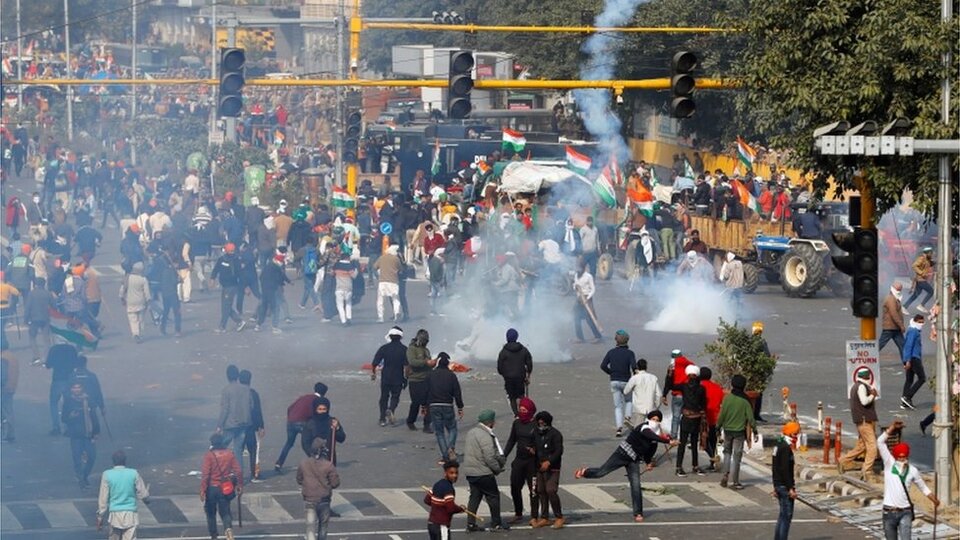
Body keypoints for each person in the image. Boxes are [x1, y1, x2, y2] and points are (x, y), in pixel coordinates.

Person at [574, 410, 675, 523]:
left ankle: (638, 513)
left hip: (634, 460)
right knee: (601, 472)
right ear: (648, 419)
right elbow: (649, 435)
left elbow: (650, 452)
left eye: (657, 420)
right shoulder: (644, 427)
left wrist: (648, 463)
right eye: (653, 419)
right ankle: (585, 472)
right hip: (622, 453)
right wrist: (667, 441)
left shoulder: (655, 438)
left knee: (636, 485)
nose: (654, 422)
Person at [877, 421, 940, 540]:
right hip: (888, 512)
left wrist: (933, 499)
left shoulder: (913, 470)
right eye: (900, 457)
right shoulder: (889, 464)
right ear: (896, 457)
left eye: (904, 457)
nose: (902, 459)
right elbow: (880, 442)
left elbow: (923, 488)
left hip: (905, 512)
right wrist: (891, 428)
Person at [462, 410, 509, 532]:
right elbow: (489, 457)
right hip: (483, 472)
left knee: (475, 497)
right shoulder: (486, 436)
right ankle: (496, 523)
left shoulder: (471, 432)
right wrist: (497, 469)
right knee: (493, 496)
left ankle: (471, 523)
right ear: (491, 422)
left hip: (470, 472)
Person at [97, 450, 150, 540]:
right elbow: (143, 494)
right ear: (125, 461)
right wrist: (146, 498)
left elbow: (103, 499)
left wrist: (100, 517)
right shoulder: (133, 473)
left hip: (114, 515)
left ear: (113, 461)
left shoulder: (107, 475)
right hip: (130, 514)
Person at [275, 382, 328, 473]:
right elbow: (314, 415)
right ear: (324, 393)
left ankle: (279, 463)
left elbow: (289, 408)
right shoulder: (317, 400)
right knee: (309, 442)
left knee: (289, 443)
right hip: (302, 423)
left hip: (291, 422)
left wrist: (290, 420)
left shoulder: (304, 397)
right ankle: (315, 462)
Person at [838, 367, 879, 481]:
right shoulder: (861, 387)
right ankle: (867, 470)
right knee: (872, 446)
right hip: (865, 420)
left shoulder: (855, 386)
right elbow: (864, 401)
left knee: (861, 446)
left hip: (861, 420)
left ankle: (843, 460)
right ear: (867, 377)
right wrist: (872, 395)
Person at [503, 397, 538, 525]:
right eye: (520, 410)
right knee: (514, 487)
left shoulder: (536, 425)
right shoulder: (516, 423)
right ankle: (518, 513)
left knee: (533, 490)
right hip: (519, 460)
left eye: (524, 410)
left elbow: (541, 442)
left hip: (532, 462)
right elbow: (512, 440)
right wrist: (504, 455)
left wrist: (535, 450)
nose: (522, 412)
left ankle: (534, 516)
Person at [717, 374, 756, 489]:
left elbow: (722, 415)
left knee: (727, 453)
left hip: (727, 430)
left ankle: (725, 475)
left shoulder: (727, 398)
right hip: (739, 432)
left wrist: (718, 426)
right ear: (743, 386)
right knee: (737, 456)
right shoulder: (745, 401)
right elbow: (750, 418)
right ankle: (735, 481)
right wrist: (755, 430)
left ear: (732, 384)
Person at [297, 438, 341, 540]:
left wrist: (306, 484)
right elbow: (335, 483)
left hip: (309, 499)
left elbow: (299, 479)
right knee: (323, 527)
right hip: (324, 499)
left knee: (310, 527)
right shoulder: (328, 465)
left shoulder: (304, 463)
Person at [201, 433, 241, 540]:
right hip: (224, 487)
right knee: (225, 511)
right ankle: (228, 529)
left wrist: (202, 490)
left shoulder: (209, 456)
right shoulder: (229, 454)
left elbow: (205, 475)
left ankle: (214, 535)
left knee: (210, 512)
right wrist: (239, 485)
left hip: (212, 488)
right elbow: (238, 471)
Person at [426, 352, 465, 464]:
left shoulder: (431, 374)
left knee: (439, 432)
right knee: (452, 428)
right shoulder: (451, 375)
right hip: (447, 405)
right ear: (447, 364)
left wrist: (424, 405)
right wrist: (460, 407)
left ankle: (445, 456)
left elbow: (426, 391)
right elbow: (457, 392)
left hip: (434, 405)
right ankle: (450, 447)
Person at [216, 365, 252, 479]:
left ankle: (219, 473)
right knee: (238, 451)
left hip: (230, 424)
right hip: (244, 424)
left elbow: (225, 409)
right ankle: (239, 477)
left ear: (227, 376)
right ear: (237, 375)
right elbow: (251, 406)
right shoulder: (246, 389)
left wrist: (219, 425)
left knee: (220, 447)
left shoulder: (226, 390)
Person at [63, 381, 100, 488]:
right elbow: (64, 418)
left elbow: (94, 416)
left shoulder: (88, 400)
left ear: (82, 389)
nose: (76, 390)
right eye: (74, 388)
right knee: (77, 458)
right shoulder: (68, 401)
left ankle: (84, 475)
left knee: (92, 456)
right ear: (71, 390)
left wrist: (96, 431)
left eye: (78, 387)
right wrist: (71, 416)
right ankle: (80, 478)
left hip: (88, 433)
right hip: (75, 434)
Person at [532, 411, 564, 529]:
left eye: (543, 423)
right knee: (541, 490)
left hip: (553, 468)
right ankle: (544, 517)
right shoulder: (536, 433)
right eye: (539, 423)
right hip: (539, 467)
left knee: (550, 490)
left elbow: (559, 451)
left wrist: (549, 462)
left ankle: (559, 517)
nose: (541, 426)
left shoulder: (556, 434)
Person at [601, 330, 637, 437]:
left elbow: (603, 366)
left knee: (617, 406)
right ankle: (628, 417)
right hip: (626, 380)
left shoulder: (611, 352)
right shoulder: (630, 353)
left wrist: (611, 373)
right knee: (629, 400)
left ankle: (619, 429)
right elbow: (634, 367)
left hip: (614, 381)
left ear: (616, 340)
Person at [371, 326, 408, 426]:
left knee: (384, 397)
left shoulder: (384, 348)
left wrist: (373, 373)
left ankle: (382, 419)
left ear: (390, 336)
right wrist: (406, 378)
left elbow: (375, 363)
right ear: (401, 337)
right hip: (398, 377)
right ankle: (391, 409)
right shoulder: (404, 349)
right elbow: (407, 366)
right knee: (395, 397)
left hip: (386, 377)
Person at [675, 364, 706, 477]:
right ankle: (695, 466)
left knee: (682, 443)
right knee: (694, 443)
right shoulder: (702, 389)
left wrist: (670, 375)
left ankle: (679, 467)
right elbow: (703, 404)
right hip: (696, 419)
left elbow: (672, 386)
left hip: (686, 418)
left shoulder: (684, 387)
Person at [209, 243, 246, 333]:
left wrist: (212, 279)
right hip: (227, 286)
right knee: (226, 306)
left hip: (231, 287)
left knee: (226, 307)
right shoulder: (228, 259)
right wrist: (212, 278)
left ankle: (224, 326)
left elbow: (240, 274)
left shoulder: (233, 260)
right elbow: (216, 269)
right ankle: (238, 321)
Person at [425, 460, 465, 540]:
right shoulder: (449, 489)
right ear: (446, 473)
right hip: (441, 525)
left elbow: (427, 500)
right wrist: (461, 509)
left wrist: (439, 505)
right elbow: (450, 508)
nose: (454, 476)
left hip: (431, 524)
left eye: (456, 473)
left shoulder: (437, 484)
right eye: (451, 473)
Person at [497, 328, 532, 417]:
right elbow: (529, 363)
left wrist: (504, 374)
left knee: (512, 396)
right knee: (521, 395)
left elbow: (499, 367)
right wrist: (528, 375)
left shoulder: (503, 352)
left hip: (508, 378)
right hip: (520, 376)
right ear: (517, 337)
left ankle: (516, 414)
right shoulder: (523, 350)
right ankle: (524, 411)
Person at [772, 422, 799, 540]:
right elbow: (784, 469)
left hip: (779, 484)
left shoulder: (778, 444)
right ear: (792, 433)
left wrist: (775, 485)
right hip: (784, 486)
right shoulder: (785, 448)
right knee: (786, 517)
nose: (797, 436)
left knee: (782, 516)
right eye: (796, 433)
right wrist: (790, 488)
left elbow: (774, 467)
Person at [301, 397, 346, 465]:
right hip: (314, 460)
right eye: (320, 409)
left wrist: (337, 428)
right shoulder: (310, 423)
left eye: (324, 409)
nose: (322, 411)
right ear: (315, 409)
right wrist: (313, 455)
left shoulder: (332, 421)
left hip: (330, 459)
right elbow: (305, 443)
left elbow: (341, 438)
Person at [406, 329, 435, 432]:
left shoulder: (426, 350)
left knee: (428, 403)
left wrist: (433, 364)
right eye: (424, 340)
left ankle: (427, 425)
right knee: (416, 402)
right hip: (415, 380)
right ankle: (410, 421)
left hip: (427, 379)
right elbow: (412, 362)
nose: (425, 342)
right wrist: (426, 362)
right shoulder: (412, 349)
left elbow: (428, 363)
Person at [661, 349, 693, 439]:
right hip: (687, 395)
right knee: (688, 416)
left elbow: (668, 382)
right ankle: (688, 437)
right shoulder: (688, 364)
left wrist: (664, 395)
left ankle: (674, 435)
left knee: (676, 417)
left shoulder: (671, 367)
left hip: (677, 395)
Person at [239, 370, 264, 482]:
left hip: (237, 426)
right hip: (250, 426)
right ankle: (254, 473)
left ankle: (237, 474)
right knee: (252, 449)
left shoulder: (236, 393)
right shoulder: (253, 393)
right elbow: (257, 411)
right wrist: (261, 426)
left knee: (237, 450)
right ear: (250, 379)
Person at [699, 367, 724, 471]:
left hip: (704, 418)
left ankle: (713, 458)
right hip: (716, 417)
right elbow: (722, 402)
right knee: (713, 440)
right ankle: (712, 463)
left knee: (704, 442)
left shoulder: (699, 387)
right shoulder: (717, 387)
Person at [24, 277, 54, 361]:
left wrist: (25, 319)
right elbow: (54, 306)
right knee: (46, 339)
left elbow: (28, 307)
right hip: (45, 318)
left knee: (32, 337)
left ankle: (36, 357)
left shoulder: (31, 293)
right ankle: (47, 357)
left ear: (36, 284)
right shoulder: (48, 293)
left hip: (34, 319)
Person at [624, 358, 661, 427]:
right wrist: (657, 406)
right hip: (651, 407)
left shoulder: (635, 378)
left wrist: (633, 376)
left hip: (639, 408)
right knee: (651, 428)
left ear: (637, 367)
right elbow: (659, 394)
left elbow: (625, 391)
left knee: (638, 429)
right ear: (646, 367)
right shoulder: (653, 377)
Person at [120, 262, 151, 343]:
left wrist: (122, 298)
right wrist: (148, 300)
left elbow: (122, 289)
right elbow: (147, 292)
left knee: (132, 318)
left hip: (130, 301)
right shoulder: (143, 279)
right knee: (141, 319)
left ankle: (135, 333)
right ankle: (140, 333)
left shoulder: (128, 278)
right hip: (141, 302)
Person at [900, 314, 926, 410]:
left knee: (909, 380)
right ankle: (908, 397)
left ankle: (904, 402)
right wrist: (907, 361)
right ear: (915, 321)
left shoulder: (913, 330)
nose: (922, 324)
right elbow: (908, 346)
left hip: (911, 358)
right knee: (922, 378)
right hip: (914, 358)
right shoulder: (913, 331)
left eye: (923, 322)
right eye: (920, 322)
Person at [573, 264, 602, 343]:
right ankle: (580, 337)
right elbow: (574, 285)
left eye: (580, 269)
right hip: (579, 298)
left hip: (587, 298)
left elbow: (593, 289)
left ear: (584, 268)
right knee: (576, 317)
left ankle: (598, 336)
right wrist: (575, 287)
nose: (578, 270)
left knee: (589, 318)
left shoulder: (588, 276)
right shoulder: (576, 275)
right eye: (577, 269)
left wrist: (587, 298)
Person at [374, 244, 403, 323]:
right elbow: (401, 269)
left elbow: (374, 267)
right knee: (395, 299)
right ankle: (397, 313)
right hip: (394, 281)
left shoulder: (382, 258)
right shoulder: (396, 259)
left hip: (382, 281)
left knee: (380, 300)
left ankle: (381, 317)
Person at [902, 247, 934, 313]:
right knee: (931, 291)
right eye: (930, 253)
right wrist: (921, 273)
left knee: (916, 294)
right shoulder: (921, 258)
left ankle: (904, 306)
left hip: (920, 280)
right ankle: (921, 305)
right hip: (921, 280)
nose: (931, 254)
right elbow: (914, 266)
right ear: (927, 253)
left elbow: (930, 264)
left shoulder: (926, 259)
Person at [880, 282, 906, 358]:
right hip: (890, 328)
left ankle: (907, 364)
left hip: (895, 328)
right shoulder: (891, 299)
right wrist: (901, 326)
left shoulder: (894, 298)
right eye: (898, 289)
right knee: (879, 345)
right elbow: (894, 313)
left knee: (903, 346)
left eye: (900, 289)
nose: (899, 291)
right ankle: (867, 358)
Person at [332, 249, 358, 325]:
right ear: (347, 258)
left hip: (339, 288)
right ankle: (349, 317)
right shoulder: (350, 266)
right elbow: (354, 276)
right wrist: (356, 269)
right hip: (348, 288)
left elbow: (332, 274)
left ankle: (343, 320)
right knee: (348, 303)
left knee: (340, 305)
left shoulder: (336, 265)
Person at [1, 342, 18, 442]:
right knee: (9, 411)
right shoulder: (12, 357)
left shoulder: (3, 358)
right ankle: (10, 433)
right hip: (11, 387)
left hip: (3, 388)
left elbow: (2, 376)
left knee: (5, 412)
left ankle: (7, 434)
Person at [719, 252, 745, 317]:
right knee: (739, 301)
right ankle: (739, 314)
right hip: (739, 285)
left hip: (731, 286)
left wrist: (723, 278)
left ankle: (728, 314)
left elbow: (726, 276)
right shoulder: (740, 263)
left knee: (728, 301)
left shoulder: (729, 265)